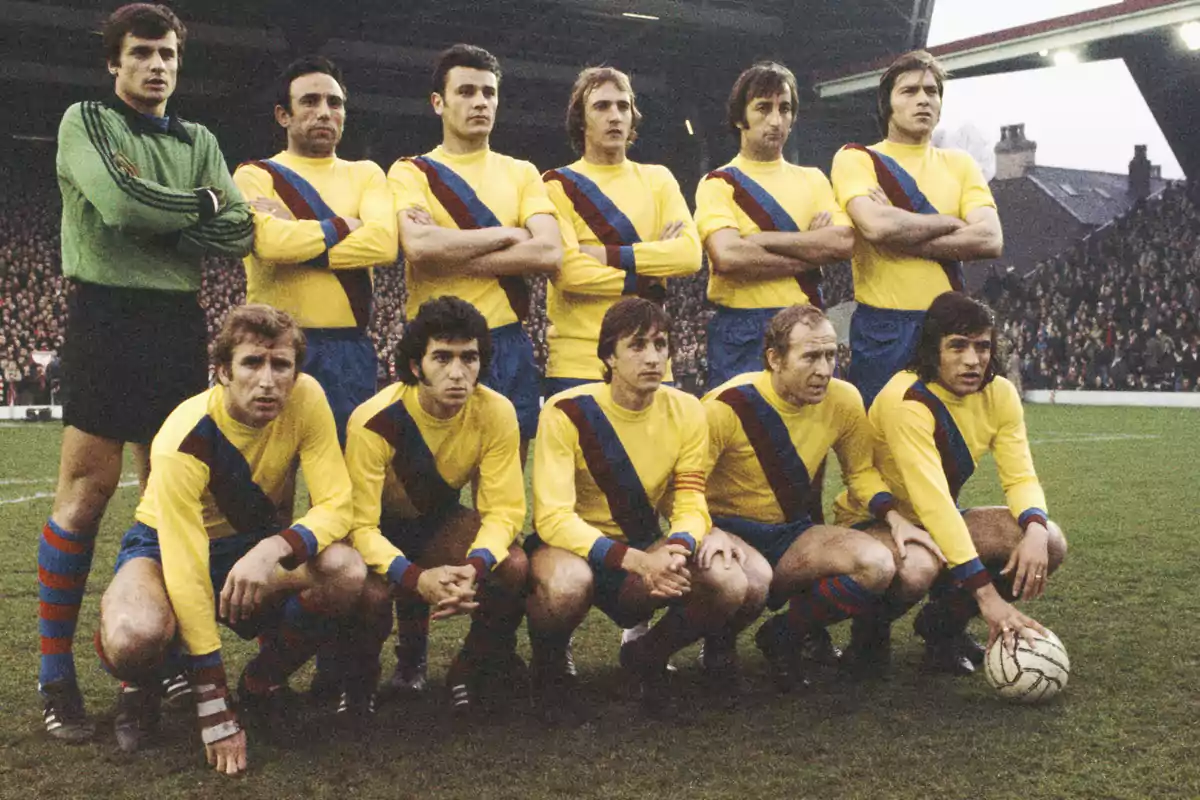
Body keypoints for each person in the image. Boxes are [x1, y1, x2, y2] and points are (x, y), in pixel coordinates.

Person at [39, 2, 253, 740]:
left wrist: (187, 210)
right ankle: (54, 675)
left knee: (166, 499)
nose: (157, 65)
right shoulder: (87, 121)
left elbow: (239, 226)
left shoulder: (198, 138)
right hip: (104, 317)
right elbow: (120, 206)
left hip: (175, 323)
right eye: (141, 53)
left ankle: (148, 672)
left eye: (167, 54)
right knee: (86, 495)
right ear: (114, 62)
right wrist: (197, 204)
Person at [93, 305, 361, 775]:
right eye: (252, 363)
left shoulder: (307, 398)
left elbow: (337, 503)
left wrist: (275, 548)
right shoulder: (183, 435)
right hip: (164, 548)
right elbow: (186, 567)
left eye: (281, 365)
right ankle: (139, 685)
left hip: (253, 547)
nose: (268, 380)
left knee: (346, 571)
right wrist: (213, 702)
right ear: (221, 372)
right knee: (133, 635)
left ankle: (261, 685)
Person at [527, 297, 753, 720]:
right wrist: (638, 561)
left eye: (661, 344)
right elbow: (553, 517)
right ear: (608, 355)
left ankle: (647, 655)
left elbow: (689, 496)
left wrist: (678, 547)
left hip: (644, 545)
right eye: (636, 345)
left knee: (734, 581)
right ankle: (549, 663)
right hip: (574, 548)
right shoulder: (566, 411)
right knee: (565, 585)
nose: (652, 357)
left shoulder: (686, 409)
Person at [703, 304, 944, 688]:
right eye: (810, 356)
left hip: (791, 533)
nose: (824, 369)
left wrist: (895, 519)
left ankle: (785, 634)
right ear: (774, 359)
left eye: (831, 355)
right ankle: (713, 643)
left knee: (877, 564)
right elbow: (685, 482)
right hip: (728, 533)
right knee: (746, 584)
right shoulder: (725, 405)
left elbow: (861, 473)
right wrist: (707, 530)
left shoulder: (844, 400)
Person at [834, 292, 1067, 676]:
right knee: (918, 568)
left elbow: (1021, 476)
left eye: (983, 346)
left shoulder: (1000, 393)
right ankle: (868, 631)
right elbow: (934, 505)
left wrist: (1036, 530)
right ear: (931, 349)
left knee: (1050, 541)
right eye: (957, 346)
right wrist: (989, 598)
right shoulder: (906, 399)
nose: (973, 360)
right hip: (876, 522)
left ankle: (942, 628)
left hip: (937, 520)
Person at [336, 297, 528, 718]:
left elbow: (505, 511)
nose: (458, 372)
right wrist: (415, 578)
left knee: (511, 565)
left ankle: (469, 667)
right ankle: (361, 679)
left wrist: (475, 566)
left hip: (438, 524)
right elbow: (359, 527)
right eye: (442, 357)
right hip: (380, 531)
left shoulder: (496, 412)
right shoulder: (374, 421)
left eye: (469, 358)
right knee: (366, 592)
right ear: (415, 364)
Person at [388, 43, 561, 459]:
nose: (480, 102)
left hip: (506, 340)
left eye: (489, 92)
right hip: (436, 344)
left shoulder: (521, 172)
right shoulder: (411, 171)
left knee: (507, 471)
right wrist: (509, 233)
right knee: (427, 473)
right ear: (438, 102)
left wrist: (452, 252)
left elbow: (550, 252)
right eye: (466, 92)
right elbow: (419, 246)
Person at [233, 55, 397, 445]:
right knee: (271, 483)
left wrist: (294, 229)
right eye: (309, 102)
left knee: (349, 477)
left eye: (334, 103)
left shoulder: (367, 173)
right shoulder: (255, 174)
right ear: (282, 115)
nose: (324, 112)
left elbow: (384, 243)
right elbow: (269, 243)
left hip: (347, 348)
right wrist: (341, 225)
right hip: (273, 346)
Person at [830, 50, 1002, 408]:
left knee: (947, 448)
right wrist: (950, 222)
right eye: (909, 91)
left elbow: (989, 238)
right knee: (881, 443)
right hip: (884, 328)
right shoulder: (857, 158)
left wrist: (901, 232)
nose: (923, 99)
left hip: (948, 327)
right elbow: (876, 226)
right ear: (886, 105)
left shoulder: (960, 164)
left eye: (932, 91)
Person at [541, 66, 701, 397]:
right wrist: (651, 271)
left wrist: (606, 256)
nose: (615, 116)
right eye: (601, 106)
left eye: (623, 106)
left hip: (651, 357)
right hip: (579, 363)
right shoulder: (556, 185)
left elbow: (689, 255)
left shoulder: (659, 179)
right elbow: (569, 273)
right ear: (581, 120)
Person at [695, 61, 852, 389]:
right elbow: (728, 256)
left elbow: (842, 244)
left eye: (785, 108)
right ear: (740, 117)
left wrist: (760, 240)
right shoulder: (718, 183)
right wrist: (810, 247)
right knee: (742, 433)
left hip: (807, 326)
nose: (776, 119)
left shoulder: (813, 179)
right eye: (763, 108)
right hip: (742, 330)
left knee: (809, 433)